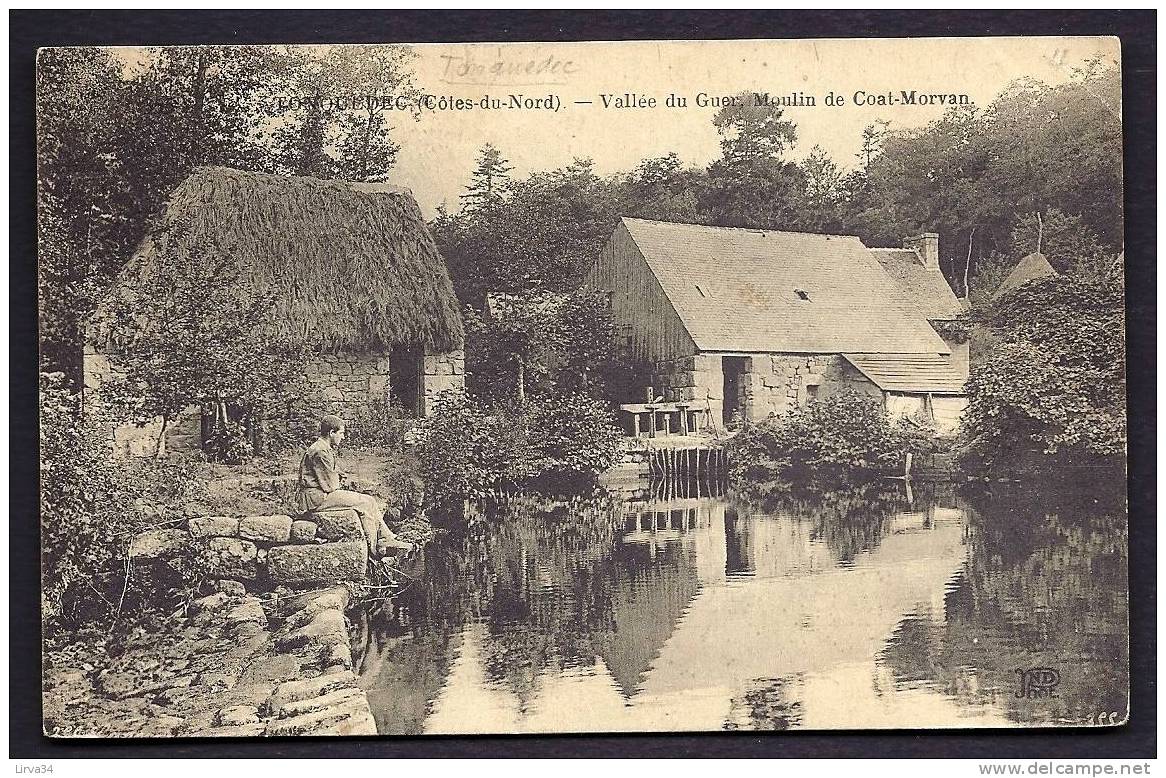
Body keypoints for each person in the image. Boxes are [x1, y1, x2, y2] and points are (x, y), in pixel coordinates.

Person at [297, 415, 413, 558]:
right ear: (331, 433)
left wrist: (336, 474)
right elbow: (331, 485)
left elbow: (333, 473)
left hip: (320, 494)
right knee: (364, 503)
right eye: (341, 433)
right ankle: (374, 548)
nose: (343, 437)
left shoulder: (323, 448)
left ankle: (385, 538)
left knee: (369, 500)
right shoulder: (320, 451)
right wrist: (337, 477)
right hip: (316, 498)